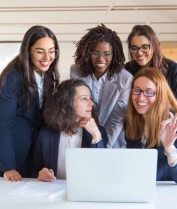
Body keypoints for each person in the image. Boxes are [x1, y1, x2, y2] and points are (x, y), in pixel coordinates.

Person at [0, 25, 60, 181]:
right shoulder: (13, 77)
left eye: (52, 51)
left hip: (32, 155)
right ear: (28, 51)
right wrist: (8, 166)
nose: (47, 57)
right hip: (11, 155)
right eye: (40, 51)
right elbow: (3, 124)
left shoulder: (48, 76)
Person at [125, 68, 177, 185]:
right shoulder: (129, 122)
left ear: (160, 95)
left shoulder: (174, 123)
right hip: (141, 188)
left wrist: (169, 147)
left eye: (149, 92)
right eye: (136, 90)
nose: (140, 98)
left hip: (169, 191)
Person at [70, 24, 133, 148]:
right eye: (95, 53)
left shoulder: (125, 78)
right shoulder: (75, 72)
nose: (101, 58)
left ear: (113, 54)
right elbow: (74, 108)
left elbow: (116, 120)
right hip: (82, 135)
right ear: (88, 52)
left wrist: (102, 147)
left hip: (112, 141)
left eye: (106, 54)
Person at [33, 79, 107, 181]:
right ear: (67, 102)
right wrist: (40, 173)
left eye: (90, 98)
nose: (91, 103)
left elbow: (102, 174)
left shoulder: (99, 132)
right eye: (84, 99)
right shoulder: (45, 135)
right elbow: (35, 169)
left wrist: (96, 137)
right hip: (53, 194)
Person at [125, 25, 177, 113]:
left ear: (154, 46)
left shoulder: (172, 68)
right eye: (134, 48)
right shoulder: (127, 69)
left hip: (164, 123)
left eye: (144, 47)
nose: (139, 53)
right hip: (136, 123)